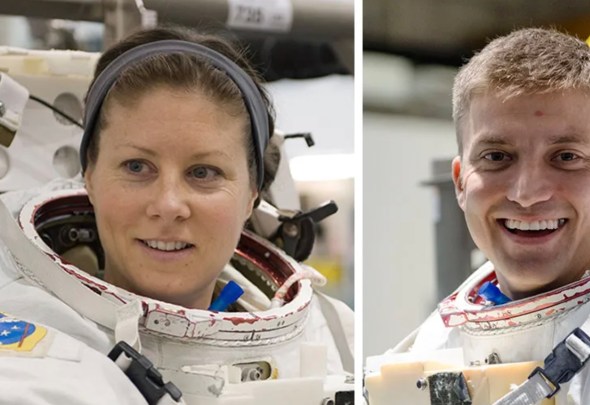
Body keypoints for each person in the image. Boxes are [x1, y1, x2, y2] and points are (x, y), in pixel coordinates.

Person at [0, 26, 353, 405]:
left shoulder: (337, 339)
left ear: (253, 194)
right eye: (137, 167)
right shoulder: (25, 355)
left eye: (203, 173)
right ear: (89, 176)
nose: (168, 205)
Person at [365, 28, 590, 405]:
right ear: (460, 183)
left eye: (566, 157)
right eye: (497, 157)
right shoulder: (433, 344)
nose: (527, 193)